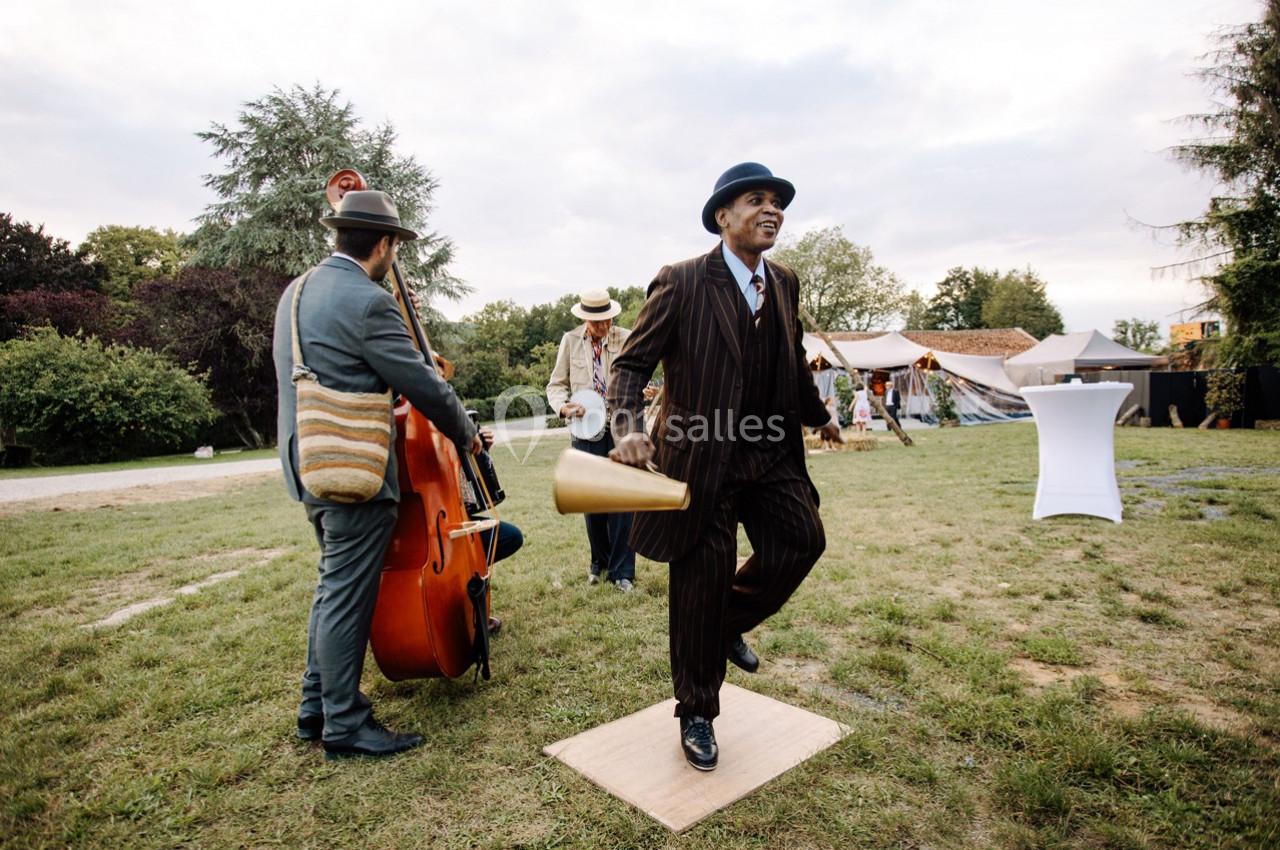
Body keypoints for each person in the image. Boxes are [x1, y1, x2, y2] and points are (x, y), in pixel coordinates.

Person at [608, 162, 842, 771]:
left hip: (770, 452)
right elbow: (630, 367)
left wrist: (820, 416)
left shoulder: (785, 282)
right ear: (723, 217)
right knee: (699, 581)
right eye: (756, 200)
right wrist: (629, 430)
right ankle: (697, 712)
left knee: (801, 540)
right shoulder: (682, 281)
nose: (772, 211)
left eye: (778, 203)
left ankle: (722, 623)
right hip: (698, 456)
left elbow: (790, 362)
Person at [272, 189, 481, 761]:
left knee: (330, 585)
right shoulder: (368, 301)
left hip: (305, 458)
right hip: (351, 466)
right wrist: (466, 432)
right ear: (385, 245)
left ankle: (315, 704)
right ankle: (343, 722)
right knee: (345, 594)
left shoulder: (296, 293)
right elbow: (422, 383)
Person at [545, 290, 637, 592]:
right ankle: (599, 562)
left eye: (608, 319)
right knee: (592, 497)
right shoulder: (570, 341)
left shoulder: (626, 337)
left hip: (620, 425)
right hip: (585, 428)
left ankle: (623, 572)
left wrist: (642, 390)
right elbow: (556, 384)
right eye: (598, 322)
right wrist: (563, 407)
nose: (604, 326)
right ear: (586, 319)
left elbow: (638, 373)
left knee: (624, 497)